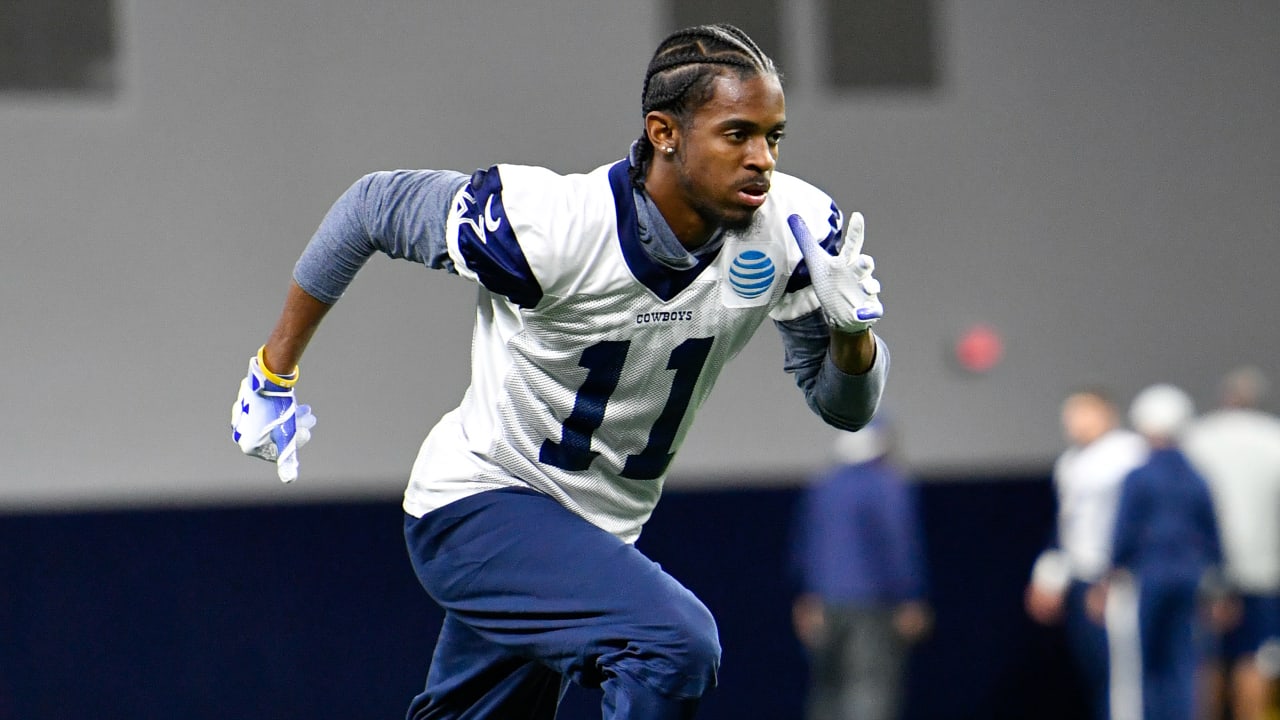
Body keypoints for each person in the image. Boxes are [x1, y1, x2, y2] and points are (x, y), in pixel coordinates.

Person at [229, 23, 889, 720]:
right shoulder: (553, 226)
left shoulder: (794, 227)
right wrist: (273, 372)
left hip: (588, 534)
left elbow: (845, 408)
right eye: (737, 134)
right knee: (672, 645)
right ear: (664, 132)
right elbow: (371, 207)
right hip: (482, 502)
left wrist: (853, 336)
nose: (762, 159)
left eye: (774, 137)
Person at [1092, 384, 1227, 720]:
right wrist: (1221, 584)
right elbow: (1212, 535)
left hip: (1150, 577)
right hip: (1190, 577)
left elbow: (1124, 532)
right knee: (1183, 661)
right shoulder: (1196, 476)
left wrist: (1109, 575)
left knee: (1147, 662)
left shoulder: (1139, 477)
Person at [789, 418, 930, 720]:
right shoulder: (887, 484)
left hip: (824, 605)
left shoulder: (825, 484)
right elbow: (897, 544)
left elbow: (805, 545)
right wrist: (909, 597)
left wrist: (808, 597)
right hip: (873, 608)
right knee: (870, 689)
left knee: (827, 691)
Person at [1024, 388, 1148, 720]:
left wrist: (1114, 578)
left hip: (1118, 581)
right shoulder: (1071, 462)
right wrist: (1048, 578)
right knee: (1095, 672)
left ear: (1107, 413)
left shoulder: (1130, 455)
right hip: (1082, 578)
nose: (1074, 422)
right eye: (1071, 414)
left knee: (1124, 678)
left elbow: (1137, 525)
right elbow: (1067, 527)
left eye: (1084, 412)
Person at [1183, 367, 1280, 720]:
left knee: (1205, 661)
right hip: (1262, 570)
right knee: (1253, 658)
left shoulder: (1196, 439)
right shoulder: (1275, 439)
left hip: (1205, 570)